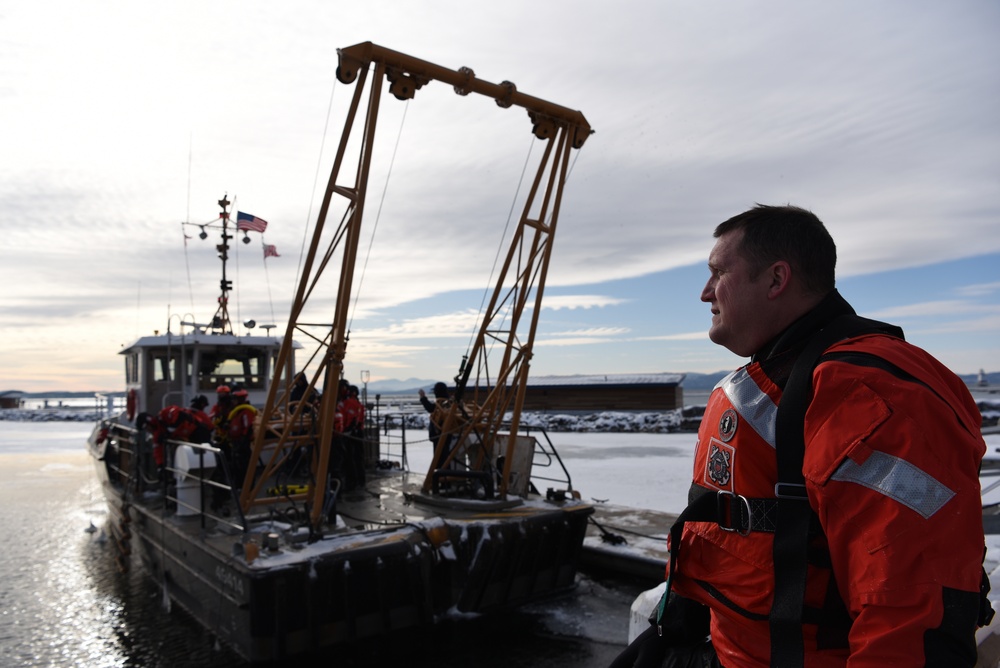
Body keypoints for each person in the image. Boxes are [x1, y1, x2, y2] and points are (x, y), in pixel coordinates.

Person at [612, 205, 990, 667]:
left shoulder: (867, 396)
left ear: (775, 280)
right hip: (723, 646)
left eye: (718, 272)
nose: (704, 292)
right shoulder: (773, 379)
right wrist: (680, 619)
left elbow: (911, 605)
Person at [419, 382, 454, 470]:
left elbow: (430, 408)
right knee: (445, 457)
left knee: (440, 458)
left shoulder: (441, 403)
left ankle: (442, 477)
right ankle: (444, 476)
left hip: (439, 435)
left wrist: (423, 397)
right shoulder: (449, 402)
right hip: (447, 435)